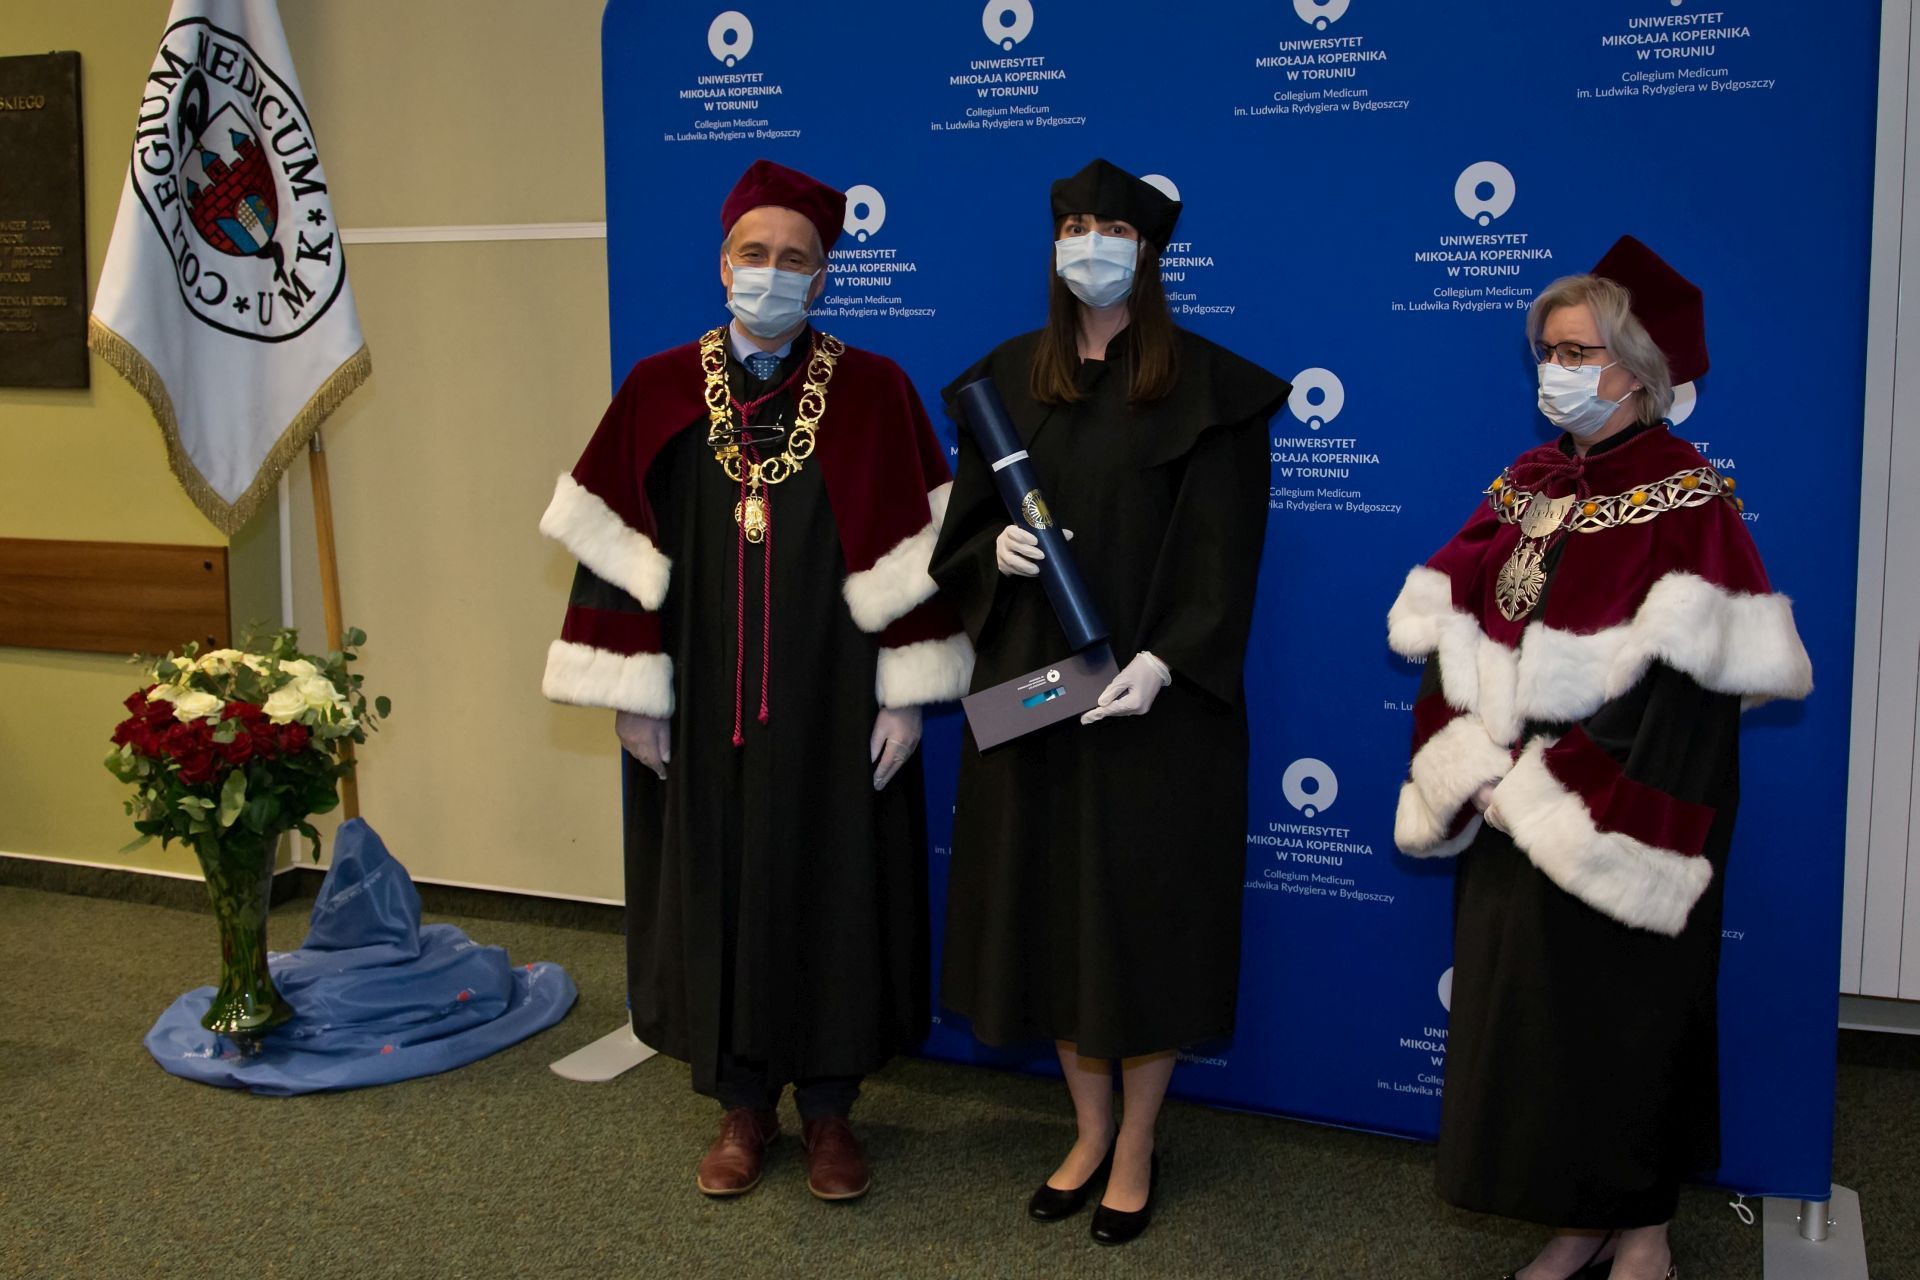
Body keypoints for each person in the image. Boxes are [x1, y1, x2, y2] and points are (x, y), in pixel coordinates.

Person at [539, 159, 971, 1202]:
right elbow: (613, 548)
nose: (771, 271)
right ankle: (741, 1105)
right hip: (702, 704)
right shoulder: (657, 388)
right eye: (754, 253)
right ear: (723, 263)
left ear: (822, 278)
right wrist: (631, 695)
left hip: (835, 701)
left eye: (795, 258)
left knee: (837, 887)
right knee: (717, 885)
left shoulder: (875, 391)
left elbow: (919, 553)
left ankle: (829, 1109)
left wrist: (906, 694)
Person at [1386, 237, 1813, 1280]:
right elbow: (1452, 623)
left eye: (1578, 351)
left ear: (1638, 368)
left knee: (1624, 1022)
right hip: (1504, 802)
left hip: (1617, 813)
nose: (1556, 369)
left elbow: (1687, 700)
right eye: (1547, 349)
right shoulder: (1528, 481)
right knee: (1535, 1032)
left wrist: (1557, 786)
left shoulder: (1687, 498)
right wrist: (1471, 761)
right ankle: (1577, 1221)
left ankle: (1645, 1231)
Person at [930, 158, 1291, 1245]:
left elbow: (1226, 558)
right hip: (1034, 697)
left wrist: (1168, 661)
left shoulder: (1214, 389)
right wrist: (989, 555)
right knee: (1049, 917)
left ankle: (1137, 1143)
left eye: (1114, 228)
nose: (1091, 243)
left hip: (1156, 706)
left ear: (1150, 250)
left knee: (1143, 927)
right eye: (1075, 225)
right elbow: (961, 537)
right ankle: (1086, 1132)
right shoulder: (1003, 380)